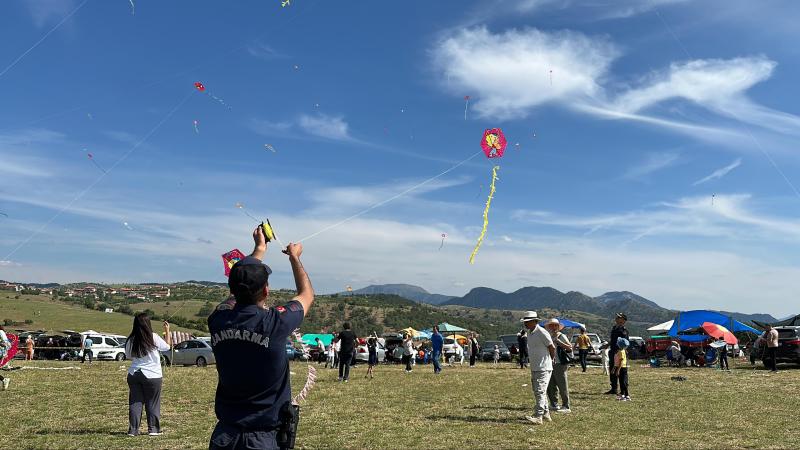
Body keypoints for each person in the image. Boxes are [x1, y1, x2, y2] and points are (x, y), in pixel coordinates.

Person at [207, 225, 314, 450]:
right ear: (266, 290)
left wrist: (258, 249)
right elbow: (306, 295)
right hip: (263, 438)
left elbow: (232, 297)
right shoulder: (274, 323)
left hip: (224, 435)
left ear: (232, 290)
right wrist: (295, 257)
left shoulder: (218, 319)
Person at [125, 314, 172, 436]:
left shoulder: (131, 339)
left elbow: (129, 356)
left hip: (134, 373)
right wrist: (167, 330)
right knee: (152, 402)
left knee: (135, 402)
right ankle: (153, 429)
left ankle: (133, 430)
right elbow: (167, 347)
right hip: (152, 374)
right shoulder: (153, 337)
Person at [522, 311, 556, 425]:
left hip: (543, 367)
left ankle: (538, 416)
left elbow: (551, 346)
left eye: (527, 322)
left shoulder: (542, 332)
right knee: (539, 391)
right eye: (525, 322)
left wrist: (551, 359)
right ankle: (546, 413)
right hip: (535, 367)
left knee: (540, 391)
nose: (525, 324)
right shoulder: (529, 333)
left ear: (534, 321)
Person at [545, 319, 572, 414]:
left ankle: (566, 405)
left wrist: (558, 341)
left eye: (555, 325)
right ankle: (554, 404)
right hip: (550, 363)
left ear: (558, 326)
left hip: (560, 364)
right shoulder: (548, 336)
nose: (553, 327)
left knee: (562, 385)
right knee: (551, 385)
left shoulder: (561, 336)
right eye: (551, 325)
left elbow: (569, 348)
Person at [605, 313, 629, 395]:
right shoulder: (614, 328)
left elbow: (626, 343)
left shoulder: (623, 330)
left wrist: (621, 352)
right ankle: (614, 388)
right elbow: (613, 340)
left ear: (623, 320)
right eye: (617, 317)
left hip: (619, 352)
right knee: (612, 369)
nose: (616, 318)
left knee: (621, 371)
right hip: (612, 352)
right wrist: (607, 345)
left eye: (619, 317)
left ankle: (624, 389)